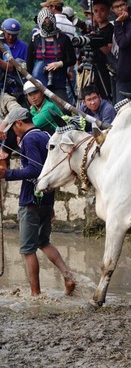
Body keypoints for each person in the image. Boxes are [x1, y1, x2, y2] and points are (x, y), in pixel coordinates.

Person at [0, 106, 76, 297]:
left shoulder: (30, 138)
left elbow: (36, 169)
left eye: (13, 128)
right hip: (46, 198)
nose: (13, 132)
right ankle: (67, 276)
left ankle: (36, 294)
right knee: (43, 241)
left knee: (27, 249)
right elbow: (49, 170)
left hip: (30, 200)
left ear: (19, 123)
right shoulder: (44, 135)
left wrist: (8, 173)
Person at [27, 8, 76, 102]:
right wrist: (30, 81)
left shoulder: (63, 38)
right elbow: (29, 62)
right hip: (38, 82)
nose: (47, 23)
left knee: (62, 109)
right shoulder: (35, 39)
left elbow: (72, 59)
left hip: (58, 81)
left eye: (49, 20)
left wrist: (59, 64)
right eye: (44, 21)